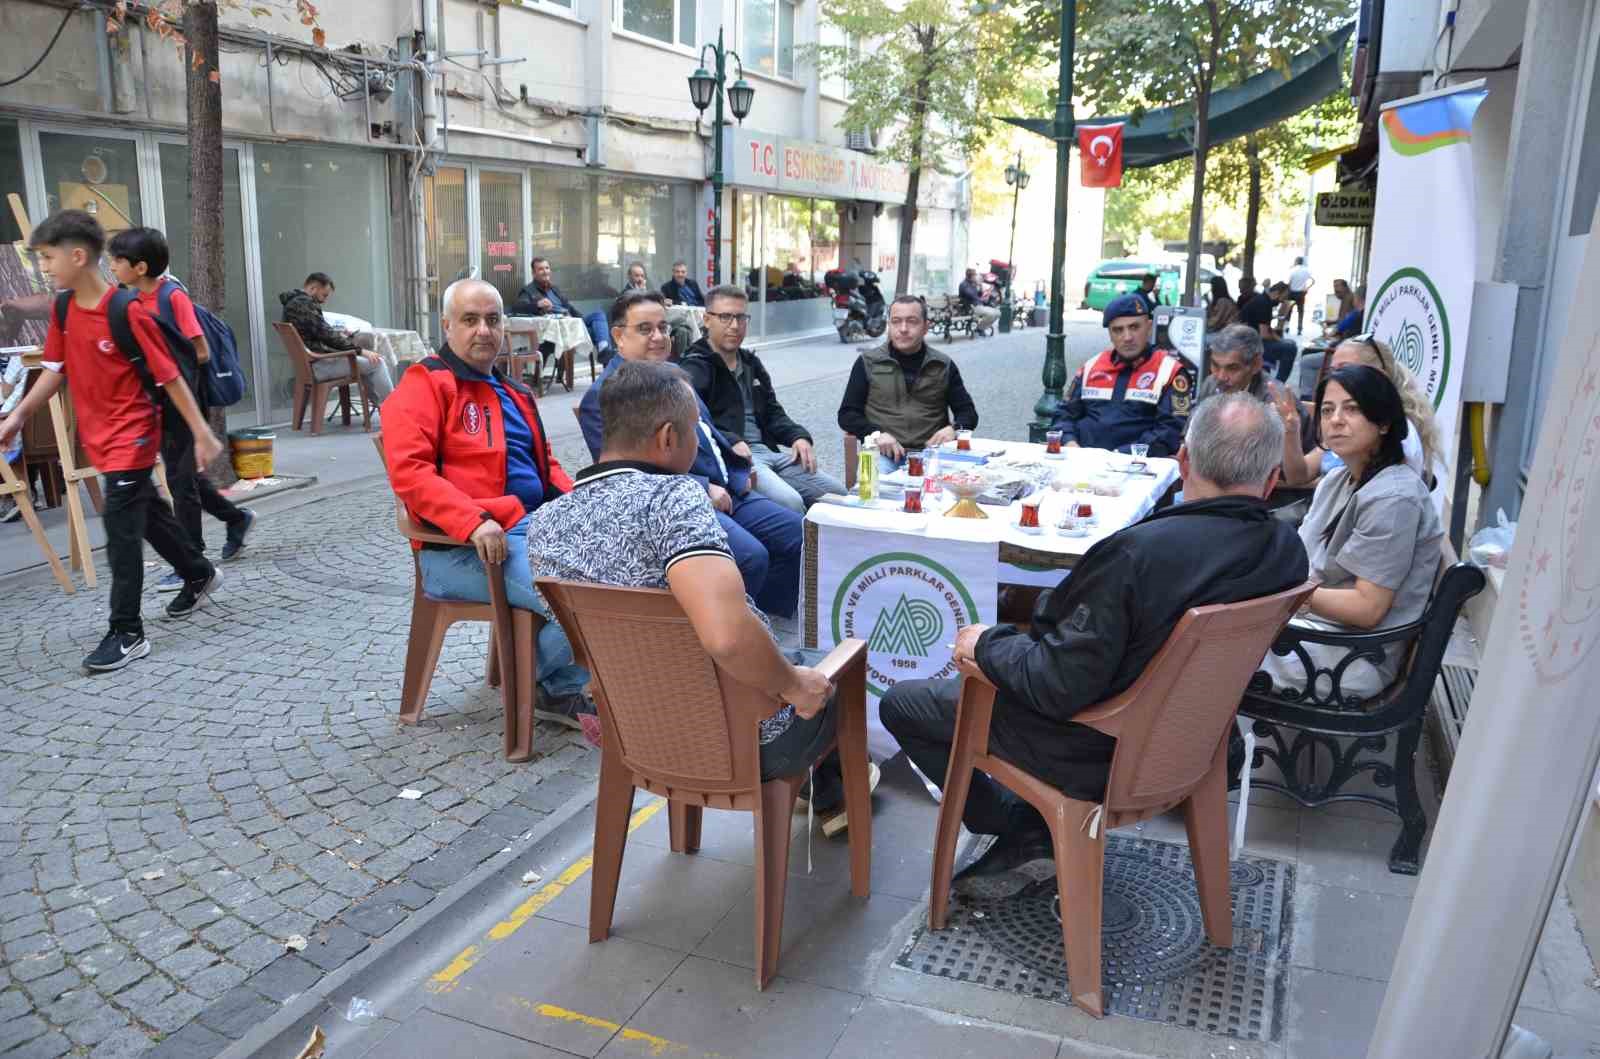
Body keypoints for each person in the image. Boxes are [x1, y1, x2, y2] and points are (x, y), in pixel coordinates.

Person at [881, 393, 1308, 881]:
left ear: (1184, 459)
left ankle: (1023, 824)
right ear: (1273, 479)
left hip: (1099, 748)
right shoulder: (1286, 549)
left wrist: (985, 644)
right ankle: (1030, 824)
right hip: (1202, 737)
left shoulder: (1136, 555)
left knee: (904, 702)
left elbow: (1057, 687)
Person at [527, 360, 846, 803]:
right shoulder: (673, 497)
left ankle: (825, 792)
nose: (697, 445)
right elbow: (728, 638)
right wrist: (795, 686)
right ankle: (834, 797)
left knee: (798, 658)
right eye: (695, 433)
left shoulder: (545, 522)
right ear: (668, 438)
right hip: (735, 734)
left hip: (636, 731)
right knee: (839, 670)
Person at [0, 210, 224, 672]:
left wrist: (202, 433)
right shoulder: (64, 308)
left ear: (78, 256)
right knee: (150, 516)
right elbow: (55, 371)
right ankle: (199, 572)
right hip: (98, 435)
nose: (43, 267)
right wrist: (18, 415)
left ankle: (127, 630)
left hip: (134, 435)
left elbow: (171, 378)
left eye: (46, 257)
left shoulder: (127, 313)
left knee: (120, 532)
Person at [379, 278, 596, 737]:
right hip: (460, 549)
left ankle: (553, 673)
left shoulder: (515, 393)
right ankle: (550, 683)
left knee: (619, 562)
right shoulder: (425, 384)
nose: (484, 331)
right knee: (580, 590)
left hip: (529, 528)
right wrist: (473, 520)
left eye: (493, 320)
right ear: (447, 326)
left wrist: (586, 504)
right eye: (470, 320)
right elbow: (411, 474)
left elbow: (547, 469)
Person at [579, 290, 803, 619]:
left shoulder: (673, 375)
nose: (658, 337)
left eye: (663, 328)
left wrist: (737, 469)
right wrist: (702, 487)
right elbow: (627, 476)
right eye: (645, 329)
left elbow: (708, 433)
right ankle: (723, 642)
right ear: (618, 336)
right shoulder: (606, 396)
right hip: (679, 501)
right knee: (750, 556)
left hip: (730, 488)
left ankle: (765, 621)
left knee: (802, 534)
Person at [1256, 365, 1442, 702]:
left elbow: (1366, 609)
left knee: (1209, 657)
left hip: (1353, 657)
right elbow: (1304, 558)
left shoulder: (1394, 498)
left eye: (1352, 408)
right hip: (1316, 633)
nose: (1336, 420)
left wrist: (1277, 593)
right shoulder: (1338, 480)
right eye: (1327, 410)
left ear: (1384, 422)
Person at [108, 228, 257, 588]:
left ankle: (192, 558)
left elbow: (201, 350)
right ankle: (235, 518)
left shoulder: (172, 297)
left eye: (117, 261)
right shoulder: (129, 299)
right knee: (183, 476)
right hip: (159, 401)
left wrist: (163, 365)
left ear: (139, 267)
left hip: (185, 398)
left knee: (180, 481)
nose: (111, 266)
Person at [681, 285, 845, 513]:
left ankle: (832, 546)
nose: (735, 326)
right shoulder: (695, 366)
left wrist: (798, 436)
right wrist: (730, 440)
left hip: (769, 452)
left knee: (839, 495)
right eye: (726, 317)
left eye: (741, 317)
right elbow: (694, 422)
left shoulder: (750, 362)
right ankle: (805, 547)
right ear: (707, 320)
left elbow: (772, 411)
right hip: (738, 459)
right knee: (791, 502)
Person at [1274, 333, 1441, 487]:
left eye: (1346, 369)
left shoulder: (1396, 435)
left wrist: (1325, 488)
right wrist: (1291, 432)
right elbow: (1298, 475)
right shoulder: (1342, 424)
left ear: (1378, 375)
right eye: (1332, 371)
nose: (1336, 378)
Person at [837, 295, 979, 467]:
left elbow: (968, 412)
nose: (903, 329)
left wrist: (954, 430)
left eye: (912, 321)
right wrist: (876, 434)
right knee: (877, 489)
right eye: (896, 321)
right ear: (889, 326)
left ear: (926, 327)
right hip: (884, 454)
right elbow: (847, 414)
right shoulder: (868, 362)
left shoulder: (943, 365)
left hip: (932, 454)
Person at [1049, 293, 1192, 457]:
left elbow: (1169, 434)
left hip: (1136, 468)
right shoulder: (1092, 366)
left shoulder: (1170, 371)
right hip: (1083, 462)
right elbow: (1063, 415)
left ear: (1149, 326)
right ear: (1110, 334)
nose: (1127, 337)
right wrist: (1070, 442)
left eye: (1134, 327)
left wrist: (1117, 456)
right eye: (1118, 330)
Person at [278, 272, 395, 407]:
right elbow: (326, 335)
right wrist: (361, 351)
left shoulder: (292, 304)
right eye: (324, 295)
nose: (324, 300)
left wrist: (339, 336)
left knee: (367, 364)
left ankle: (383, 407)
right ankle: (394, 410)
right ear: (313, 288)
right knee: (377, 362)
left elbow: (319, 332)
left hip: (312, 362)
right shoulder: (304, 304)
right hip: (320, 365)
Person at [508, 256, 614, 361]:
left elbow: (569, 307)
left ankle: (603, 349)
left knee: (598, 316)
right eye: (540, 269)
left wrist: (581, 320)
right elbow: (518, 307)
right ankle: (604, 352)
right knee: (598, 333)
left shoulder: (554, 289)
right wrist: (537, 305)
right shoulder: (529, 290)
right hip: (559, 330)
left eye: (547, 268)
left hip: (572, 323)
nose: (545, 271)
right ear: (533, 273)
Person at [1196, 324, 1287, 405]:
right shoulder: (1210, 384)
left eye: (1232, 368)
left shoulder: (1276, 401)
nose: (1221, 377)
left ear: (1256, 364)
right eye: (1215, 365)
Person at [1241, 281, 1297, 384]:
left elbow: (1268, 329)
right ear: (1276, 292)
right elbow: (1264, 334)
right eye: (1283, 297)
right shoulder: (1264, 304)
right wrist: (1281, 341)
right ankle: (1279, 383)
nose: (1283, 301)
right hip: (1251, 344)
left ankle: (1276, 381)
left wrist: (1280, 340)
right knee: (1290, 348)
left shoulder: (1264, 300)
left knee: (1289, 343)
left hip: (1252, 340)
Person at [958, 268, 1000, 333]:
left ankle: (982, 327)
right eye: (974, 275)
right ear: (970, 276)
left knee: (997, 313)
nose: (975, 277)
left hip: (979, 305)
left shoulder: (972, 283)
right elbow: (971, 295)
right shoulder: (964, 284)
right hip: (971, 307)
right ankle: (980, 328)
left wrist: (980, 287)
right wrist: (976, 285)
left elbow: (978, 295)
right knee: (991, 314)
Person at [1286, 256, 1315, 334]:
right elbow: (1313, 280)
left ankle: (1286, 326)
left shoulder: (1292, 270)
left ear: (1296, 261)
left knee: (1289, 310)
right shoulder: (1306, 270)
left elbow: (1288, 282)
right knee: (1301, 311)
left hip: (1292, 293)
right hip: (1301, 293)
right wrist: (1307, 288)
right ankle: (1299, 328)